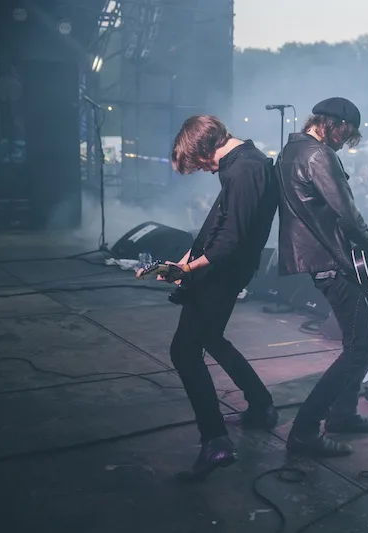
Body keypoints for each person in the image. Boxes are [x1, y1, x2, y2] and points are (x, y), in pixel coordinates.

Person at [145, 116, 280, 481]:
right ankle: (262, 403)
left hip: (221, 276)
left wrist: (188, 271)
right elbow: (217, 226)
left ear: (205, 147)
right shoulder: (241, 164)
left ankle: (216, 442)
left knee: (184, 350)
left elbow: (229, 241)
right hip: (219, 273)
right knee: (209, 338)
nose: (203, 170)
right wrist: (182, 263)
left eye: (199, 162)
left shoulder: (244, 170)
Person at [276, 97, 368, 458]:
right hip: (334, 261)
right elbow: (348, 214)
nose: (345, 142)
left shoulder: (292, 150)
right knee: (358, 350)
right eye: (346, 133)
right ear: (331, 123)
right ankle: (305, 430)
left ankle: (343, 413)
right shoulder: (317, 155)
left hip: (324, 258)